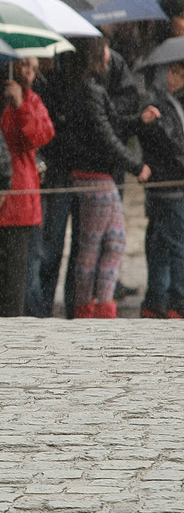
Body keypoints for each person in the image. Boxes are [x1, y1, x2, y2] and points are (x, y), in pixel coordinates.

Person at [62, 40, 152, 318]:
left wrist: (139, 121)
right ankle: (85, 308)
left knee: (115, 241)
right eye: (104, 50)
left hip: (101, 175)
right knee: (91, 245)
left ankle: (103, 305)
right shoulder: (88, 91)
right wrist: (136, 166)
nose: (109, 56)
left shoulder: (94, 91)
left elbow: (112, 124)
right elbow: (106, 138)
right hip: (94, 176)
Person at [0, 58, 54, 316]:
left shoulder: (31, 100)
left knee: (14, 285)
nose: (29, 70)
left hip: (18, 204)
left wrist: (19, 105)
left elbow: (40, 136)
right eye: (23, 64)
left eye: (33, 65)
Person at [136, 60, 184, 319]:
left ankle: (156, 301)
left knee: (162, 246)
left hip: (170, 186)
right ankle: (177, 302)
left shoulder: (172, 102)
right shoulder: (156, 104)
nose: (177, 79)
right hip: (168, 187)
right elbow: (170, 146)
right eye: (174, 72)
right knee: (175, 246)